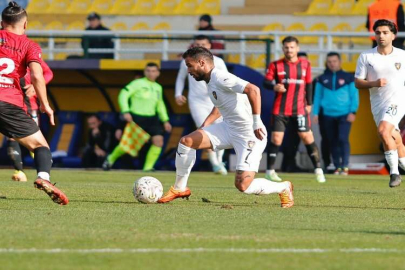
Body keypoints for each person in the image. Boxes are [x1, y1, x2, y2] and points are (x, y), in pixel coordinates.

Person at [158, 47, 294, 208]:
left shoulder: (220, 77)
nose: (188, 70)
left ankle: (283, 187)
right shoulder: (209, 81)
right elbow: (219, 107)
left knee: (243, 186)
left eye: (189, 65)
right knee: (187, 141)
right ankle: (180, 188)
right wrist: (204, 126)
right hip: (228, 128)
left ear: (202, 62)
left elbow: (254, 90)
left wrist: (256, 121)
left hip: (249, 135)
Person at [0, 2, 68, 204]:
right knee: (40, 145)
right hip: (8, 103)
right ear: (25, 24)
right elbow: (38, 76)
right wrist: (46, 104)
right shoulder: (30, 46)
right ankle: (43, 178)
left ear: (1, 22)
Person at [263, 36, 326, 183]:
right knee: (276, 139)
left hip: (299, 109)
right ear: (283, 48)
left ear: (297, 48)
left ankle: (318, 170)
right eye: (286, 47)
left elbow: (309, 84)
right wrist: (274, 86)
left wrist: (309, 103)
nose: (289, 50)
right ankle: (269, 171)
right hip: (280, 109)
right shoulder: (276, 65)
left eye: (292, 47)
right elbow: (265, 82)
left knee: (307, 137)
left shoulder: (305, 65)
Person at [355, 19, 405, 187]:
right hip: (378, 103)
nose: (381, 36)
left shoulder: (402, 55)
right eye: (378, 32)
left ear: (393, 35)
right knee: (393, 138)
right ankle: (403, 164)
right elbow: (358, 82)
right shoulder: (367, 56)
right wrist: (373, 83)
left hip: (398, 100)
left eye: (385, 32)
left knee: (383, 131)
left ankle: (394, 174)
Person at [103, 63, 172, 171]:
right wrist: (125, 111)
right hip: (136, 118)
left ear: (158, 73)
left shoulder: (158, 87)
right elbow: (123, 95)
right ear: (145, 72)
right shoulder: (137, 83)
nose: (151, 73)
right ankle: (110, 159)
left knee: (158, 141)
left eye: (153, 71)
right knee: (127, 145)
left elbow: (160, 104)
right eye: (148, 71)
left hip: (152, 119)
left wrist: (165, 120)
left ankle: (148, 168)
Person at [175, 35, 228, 175]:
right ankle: (215, 164)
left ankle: (219, 160)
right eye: (197, 43)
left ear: (209, 45)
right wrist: (177, 94)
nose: (200, 46)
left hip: (216, 102)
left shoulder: (219, 62)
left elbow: (226, 81)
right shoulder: (186, 62)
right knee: (206, 130)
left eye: (203, 43)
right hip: (196, 101)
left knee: (220, 131)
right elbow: (180, 78)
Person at [313, 52, 359, 175]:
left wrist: (353, 111)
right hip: (327, 115)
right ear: (326, 63)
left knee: (342, 139)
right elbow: (317, 97)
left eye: (334, 61)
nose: (332, 64)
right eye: (329, 62)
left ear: (339, 62)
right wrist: (315, 113)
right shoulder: (321, 79)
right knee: (332, 140)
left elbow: (354, 96)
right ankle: (337, 166)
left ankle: (345, 166)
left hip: (344, 114)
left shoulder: (349, 78)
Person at [7, 59, 53, 182]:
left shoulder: (29, 55)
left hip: (30, 105)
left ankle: (43, 168)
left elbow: (48, 73)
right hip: (11, 104)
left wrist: (35, 86)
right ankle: (19, 171)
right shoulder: (7, 56)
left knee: (34, 140)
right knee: (12, 137)